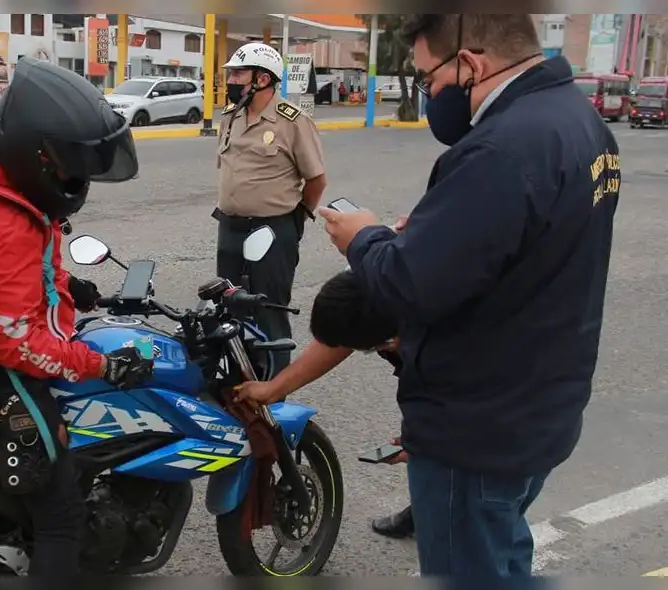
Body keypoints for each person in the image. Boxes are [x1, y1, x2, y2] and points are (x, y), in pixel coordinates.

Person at [317, 14, 621, 578]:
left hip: (479, 424)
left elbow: (406, 286)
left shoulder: (502, 147)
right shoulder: (579, 122)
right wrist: (443, 234)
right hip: (539, 403)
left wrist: (363, 237)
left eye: (428, 78)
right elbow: (532, 243)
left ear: (472, 64)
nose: (430, 93)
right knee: (503, 552)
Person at [0, 57, 155, 578]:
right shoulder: (6, 215)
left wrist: (67, 289)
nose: (74, 175)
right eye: (67, 162)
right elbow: (22, 345)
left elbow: (20, 275)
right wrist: (100, 367)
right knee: (62, 515)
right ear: (32, 150)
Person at [234, 268, 415, 539]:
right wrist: (274, 388)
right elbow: (341, 337)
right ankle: (429, 503)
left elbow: (476, 412)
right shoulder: (374, 285)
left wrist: (431, 444)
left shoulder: (458, 341)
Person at [215, 42, 327, 374]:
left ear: (263, 79)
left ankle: (275, 388)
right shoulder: (230, 117)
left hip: (273, 229)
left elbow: (317, 180)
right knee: (229, 308)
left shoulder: (292, 122)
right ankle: (238, 382)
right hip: (231, 227)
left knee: (269, 309)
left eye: (238, 73)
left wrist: (296, 219)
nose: (232, 80)